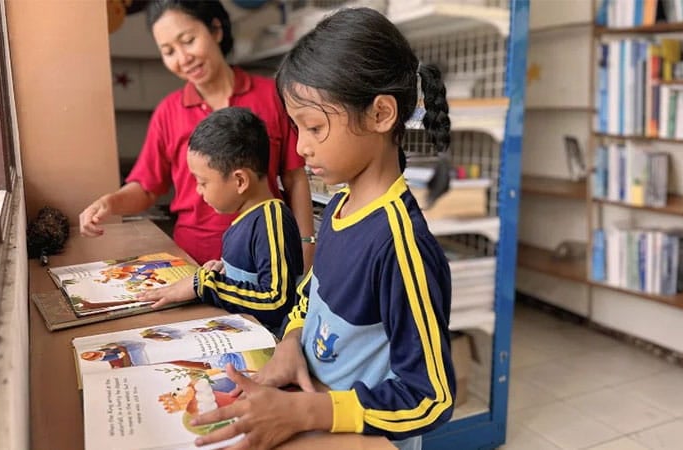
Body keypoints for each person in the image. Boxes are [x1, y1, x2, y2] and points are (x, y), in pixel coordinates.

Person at [190, 8, 455, 450]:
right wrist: (292, 340)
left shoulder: (400, 244)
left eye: (314, 127)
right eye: (297, 128)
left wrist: (307, 412)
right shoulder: (338, 208)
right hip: (311, 415)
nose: (300, 147)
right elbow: (310, 295)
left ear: (380, 113)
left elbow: (430, 398)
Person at [79, 0, 314, 267]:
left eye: (188, 40)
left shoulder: (271, 95)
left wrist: (306, 243)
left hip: (266, 253)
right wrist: (109, 203)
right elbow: (146, 188)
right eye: (169, 51)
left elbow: (295, 178)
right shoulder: (168, 112)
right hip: (193, 259)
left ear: (216, 30)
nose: (183, 59)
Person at [137, 107, 303, 332]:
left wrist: (206, 284)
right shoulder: (245, 219)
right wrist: (224, 273)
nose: (198, 191)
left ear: (240, 181)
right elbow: (250, 276)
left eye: (202, 182)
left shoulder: (271, 221)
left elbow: (277, 301)